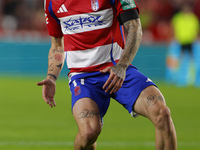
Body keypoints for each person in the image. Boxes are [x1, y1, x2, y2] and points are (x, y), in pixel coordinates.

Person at [37, 0, 177, 149]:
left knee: (162, 113)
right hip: (83, 77)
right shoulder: (52, 3)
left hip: (118, 69)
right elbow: (57, 46)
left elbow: (135, 28)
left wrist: (122, 66)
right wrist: (52, 77)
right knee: (89, 132)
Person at [167, 3, 200, 86]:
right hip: (179, 42)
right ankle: (175, 78)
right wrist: (171, 39)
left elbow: (196, 32)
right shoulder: (178, 18)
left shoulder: (193, 19)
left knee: (192, 62)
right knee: (177, 61)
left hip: (190, 42)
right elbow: (172, 29)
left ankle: (192, 79)